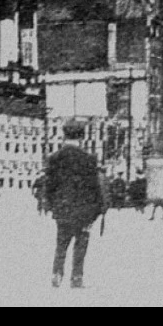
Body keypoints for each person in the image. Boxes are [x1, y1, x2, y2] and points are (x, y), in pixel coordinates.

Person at [45, 124, 105, 289]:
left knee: (61, 242)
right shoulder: (88, 158)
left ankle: (57, 274)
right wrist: (97, 210)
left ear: (64, 136)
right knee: (81, 244)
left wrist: (52, 206)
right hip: (83, 210)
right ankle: (76, 277)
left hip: (62, 209)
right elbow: (94, 187)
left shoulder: (54, 158)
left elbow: (49, 186)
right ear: (81, 137)